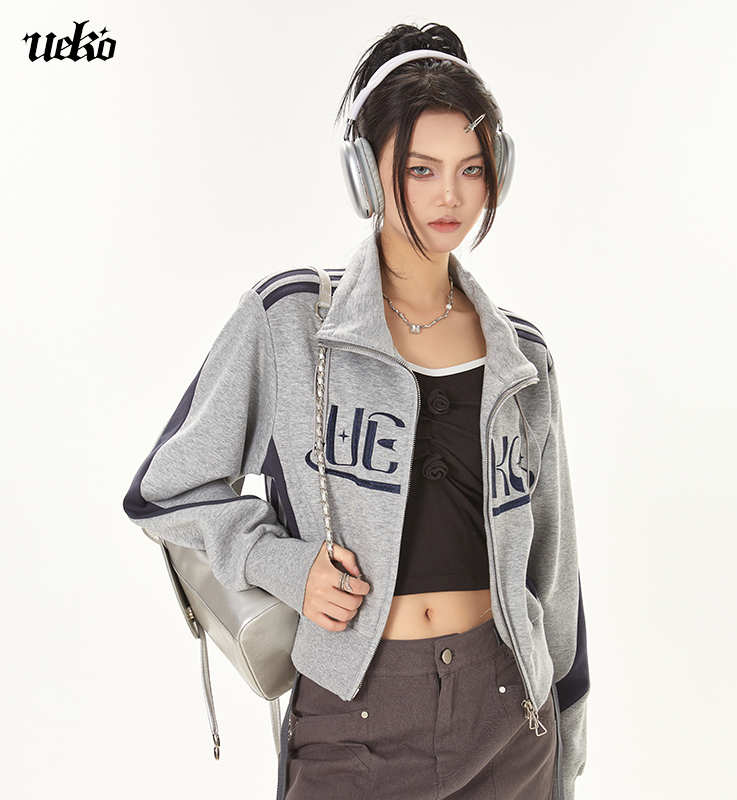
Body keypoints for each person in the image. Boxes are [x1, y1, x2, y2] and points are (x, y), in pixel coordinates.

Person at [123, 22, 588, 800]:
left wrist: (567, 755)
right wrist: (284, 563)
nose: (450, 196)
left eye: (472, 169)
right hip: (356, 721)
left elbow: (556, 572)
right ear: (366, 175)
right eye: (420, 169)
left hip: (511, 720)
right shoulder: (291, 322)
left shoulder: (523, 357)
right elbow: (164, 491)